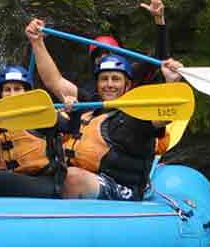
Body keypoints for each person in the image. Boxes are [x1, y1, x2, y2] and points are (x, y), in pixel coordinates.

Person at [25, 19, 183, 201]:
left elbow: (166, 115)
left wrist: (172, 82)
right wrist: (37, 42)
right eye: (104, 79)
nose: (109, 84)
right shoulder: (89, 104)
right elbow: (55, 82)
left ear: (127, 84)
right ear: (97, 83)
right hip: (82, 179)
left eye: (115, 79)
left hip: (124, 188)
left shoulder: (138, 112)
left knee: (73, 177)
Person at [0, 65, 69, 198]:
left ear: (27, 92)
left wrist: (73, 110)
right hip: (21, 178)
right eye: (7, 90)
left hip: (46, 182)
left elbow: (69, 127)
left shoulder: (38, 114)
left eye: (17, 89)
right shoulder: (1, 124)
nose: (12, 94)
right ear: (1, 95)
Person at [79, 0, 170, 100]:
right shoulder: (89, 87)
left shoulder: (132, 71)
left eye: (107, 53)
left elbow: (160, 59)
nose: (103, 57)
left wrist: (159, 20)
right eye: (98, 55)